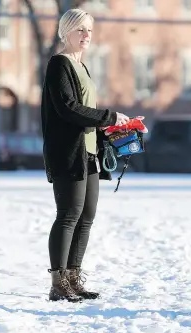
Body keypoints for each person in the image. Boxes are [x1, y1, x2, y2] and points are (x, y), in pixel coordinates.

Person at [40, 8, 130, 302]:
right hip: (68, 153)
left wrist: (117, 128)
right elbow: (67, 108)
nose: (86, 35)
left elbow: (86, 113)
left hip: (89, 152)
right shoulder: (59, 64)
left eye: (89, 30)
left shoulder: (83, 66)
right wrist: (109, 116)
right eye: (80, 30)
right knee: (68, 215)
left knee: (86, 216)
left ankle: (73, 278)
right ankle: (58, 283)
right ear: (65, 32)